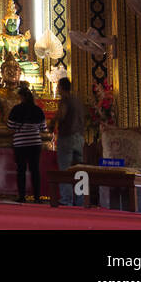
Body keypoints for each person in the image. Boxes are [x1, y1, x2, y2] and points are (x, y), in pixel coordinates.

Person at [6, 83, 45, 203]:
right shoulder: (37, 110)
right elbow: (43, 127)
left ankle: (22, 196)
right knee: (35, 170)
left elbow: (10, 126)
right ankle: (37, 197)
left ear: (21, 97)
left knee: (21, 170)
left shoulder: (16, 109)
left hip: (20, 143)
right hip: (35, 143)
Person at [54, 76, 85, 207]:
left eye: (58, 86)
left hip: (67, 137)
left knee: (65, 170)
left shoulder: (65, 100)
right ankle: (80, 200)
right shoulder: (78, 101)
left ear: (61, 87)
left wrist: (52, 123)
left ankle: (66, 200)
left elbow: (62, 115)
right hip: (80, 138)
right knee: (79, 170)